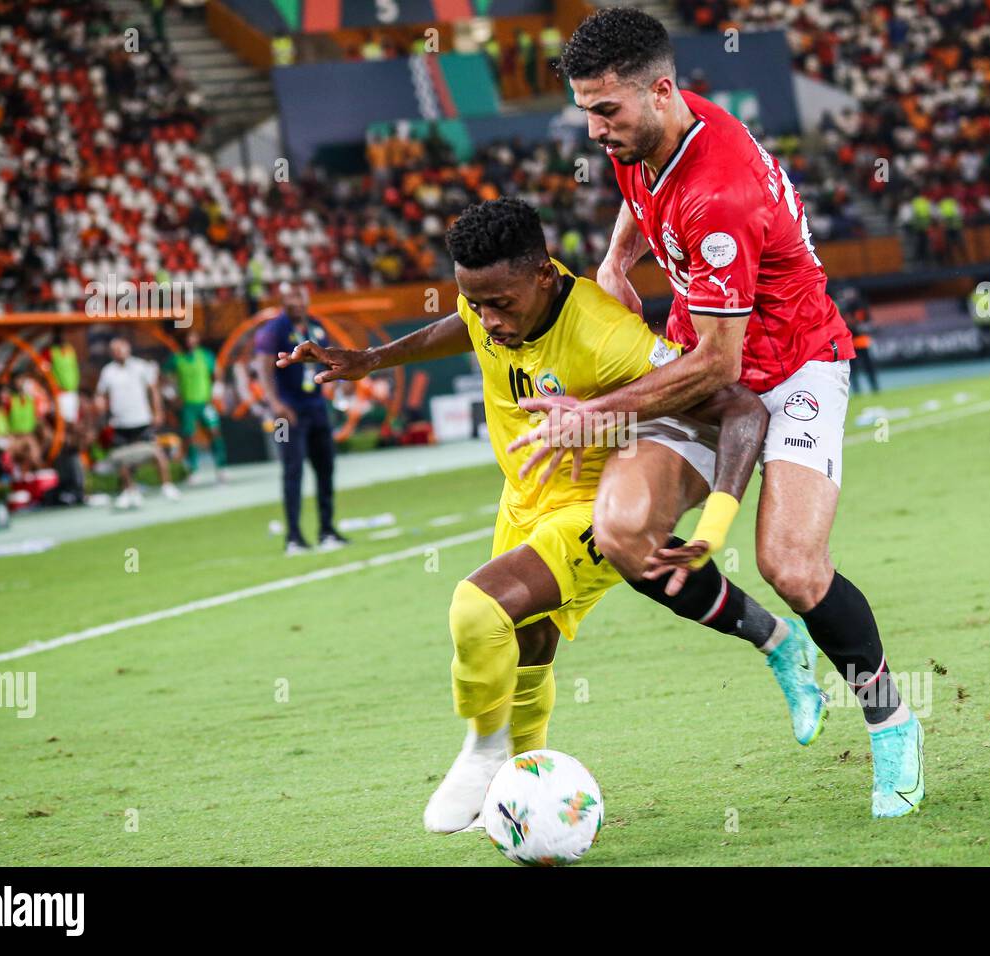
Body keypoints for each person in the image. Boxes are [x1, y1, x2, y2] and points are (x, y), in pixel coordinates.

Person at [278, 198, 816, 834]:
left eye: (498, 303)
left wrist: (715, 522)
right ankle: (521, 778)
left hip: (589, 505)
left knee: (477, 612)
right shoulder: (494, 295)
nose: (487, 318)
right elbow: (461, 326)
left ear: (542, 276)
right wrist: (372, 359)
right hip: (522, 498)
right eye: (474, 300)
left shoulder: (605, 335)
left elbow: (740, 410)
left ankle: (483, 754)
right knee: (529, 642)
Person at [518, 9, 922, 818]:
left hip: (793, 363)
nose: (595, 131)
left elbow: (720, 366)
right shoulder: (654, 129)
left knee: (794, 565)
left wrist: (592, 413)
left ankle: (893, 725)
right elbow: (642, 192)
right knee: (623, 532)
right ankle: (776, 646)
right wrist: (615, 256)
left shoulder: (720, 193)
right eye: (587, 110)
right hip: (705, 353)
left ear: (661, 92)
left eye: (607, 112)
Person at [254, 285, 346, 555]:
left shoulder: (316, 327)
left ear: (307, 300)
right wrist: (275, 403)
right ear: (283, 301)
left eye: (300, 297)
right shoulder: (275, 329)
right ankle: (293, 536)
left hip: (316, 406)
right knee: (292, 470)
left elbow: (328, 360)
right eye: (290, 298)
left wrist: (340, 382)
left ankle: (327, 529)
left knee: (326, 467)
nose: (296, 303)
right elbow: (263, 366)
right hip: (286, 412)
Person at [95, 337, 180, 509]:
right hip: (120, 422)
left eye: (121, 348)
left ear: (128, 349)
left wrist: (158, 411)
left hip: (141, 419)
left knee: (156, 452)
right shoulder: (108, 371)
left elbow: (153, 389)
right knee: (122, 459)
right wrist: (100, 407)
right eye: (115, 350)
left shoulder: (140, 366)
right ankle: (130, 491)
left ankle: (167, 486)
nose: (119, 352)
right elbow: (101, 394)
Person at [164, 328, 228, 483]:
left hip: (205, 402)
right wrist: (171, 396)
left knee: (214, 432)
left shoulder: (206, 356)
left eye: (192, 337)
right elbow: (164, 378)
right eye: (186, 338)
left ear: (197, 339)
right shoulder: (176, 359)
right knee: (189, 436)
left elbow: (217, 375)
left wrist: (216, 393)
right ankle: (193, 469)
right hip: (187, 405)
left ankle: (221, 467)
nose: (189, 341)